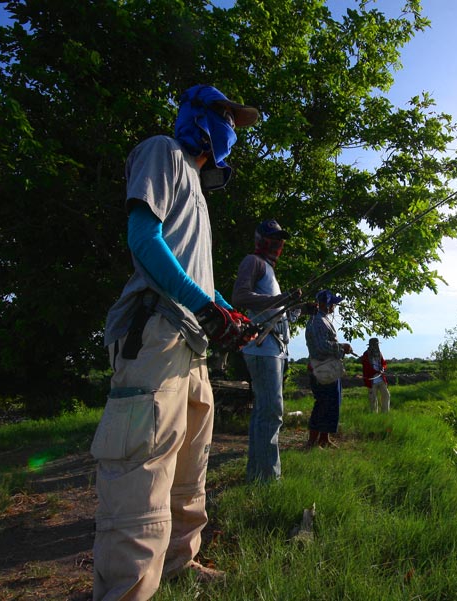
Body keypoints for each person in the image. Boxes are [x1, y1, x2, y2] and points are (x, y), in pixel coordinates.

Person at [90, 84, 259, 600]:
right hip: (157, 335)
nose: (235, 128)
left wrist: (225, 311)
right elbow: (143, 238)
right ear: (203, 116)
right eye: (230, 116)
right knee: (140, 480)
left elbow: (197, 278)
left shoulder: (200, 195)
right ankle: (125, 591)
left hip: (193, 348)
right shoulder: (163, 150)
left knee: (189, 473)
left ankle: (182, 565)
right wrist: (207, 307)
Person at [232, 219, 299, 482]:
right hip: (262, 348)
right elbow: (240, 297)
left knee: (266, 411)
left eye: (280, 238)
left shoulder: (270, 270)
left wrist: (292, 305)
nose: (277, 243)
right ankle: (268, 479)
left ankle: (257, 475)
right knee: (271, 410)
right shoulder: (253, 261)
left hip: (275, 348)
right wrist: (278, 300)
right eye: (272, 237)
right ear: (260, 239)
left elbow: (273, 306)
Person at [304, 289, 354, 448]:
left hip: (328, 368)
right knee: (323, 404)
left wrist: (340, 348)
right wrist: (341, 347)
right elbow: (320, 347)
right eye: (332, 303)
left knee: (331, 404)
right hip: (322, 368)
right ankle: (312, 441)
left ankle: (324, 439)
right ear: (325, 303)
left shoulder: (322, 319)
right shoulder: (318, 320)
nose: (334, 306)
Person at [361, 337, 390, 413]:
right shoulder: (366, 354)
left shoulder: (379, 353)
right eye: (375, 344)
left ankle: (385, 413)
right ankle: (374, 414)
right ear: (371, 345)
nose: (376, 346)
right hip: (372, 380)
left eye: (377, 344)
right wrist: (376, 372)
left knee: (386, 395)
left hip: (381, 379)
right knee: (373, 399)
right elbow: (366, 368)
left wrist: (383, 369)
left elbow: (383, 363)